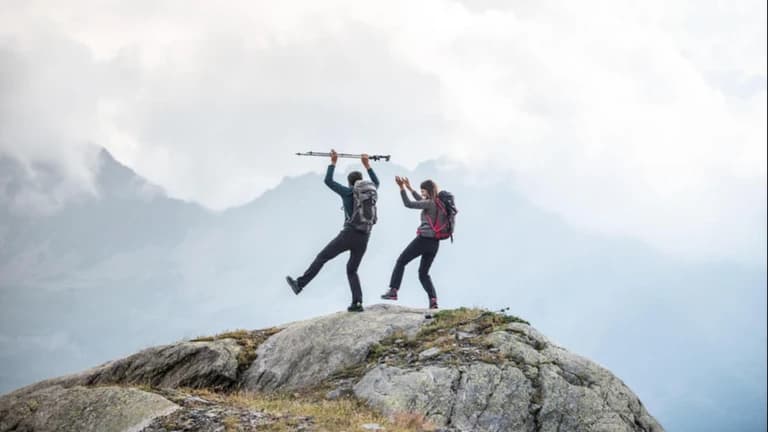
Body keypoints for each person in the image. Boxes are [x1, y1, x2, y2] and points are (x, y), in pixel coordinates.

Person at [286, 149, 380, 312]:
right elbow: (376, 182)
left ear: (350, 183)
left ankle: (299, 284)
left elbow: (328, 181)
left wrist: (333, 162)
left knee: (322, 257)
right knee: (352, 270)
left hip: (348, 234)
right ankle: (357, 303)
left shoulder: (348, 192)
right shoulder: (372, 191)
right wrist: (368, 165)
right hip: (365, 236)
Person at [381, 176, 442, 309]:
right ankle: (433, 300)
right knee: (423, 274)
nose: (422, 194)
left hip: (423, 240)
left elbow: (408, 204)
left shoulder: (429, 203)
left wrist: (401, 189)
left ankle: (393, 291)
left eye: (423, 191)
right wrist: (410, 188)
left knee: (401, 261)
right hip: (435, 243)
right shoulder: (437, 203)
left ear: (429, 191)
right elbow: (421, 201)